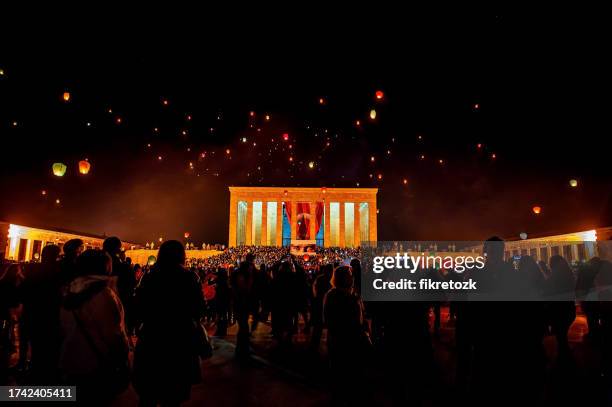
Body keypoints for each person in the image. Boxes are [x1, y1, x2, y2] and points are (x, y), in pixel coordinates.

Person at [133, 240, 206, 407]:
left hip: (152, 338)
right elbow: (199, 310)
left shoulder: (149, 276)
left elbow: (139, 307)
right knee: (173, 397)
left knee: (148, 394)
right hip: (180, 341)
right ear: (182, 255)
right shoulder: (189, 277)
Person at [58, 249, 130, 404]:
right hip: (96, 367)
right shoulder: (104, 295)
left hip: (70, 361)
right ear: (106, 267)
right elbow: (114, 336)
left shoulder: (70, 290)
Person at [324, 266, 368, 406]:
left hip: (342, 340)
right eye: (349, 275)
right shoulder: (338, 296)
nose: (352, 277)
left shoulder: (344, 295)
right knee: (344, 373)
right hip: (345, 341)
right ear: (342, 278)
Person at [19, 244, 62, 384]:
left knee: (27, 342)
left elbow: (23, 291)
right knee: (43, 348)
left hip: (30, 311)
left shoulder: (32, 269)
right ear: (56, 256)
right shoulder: (58, 271)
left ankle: (24, 366)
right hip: (49, 315)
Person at [546, 255, 576, 362]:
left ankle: (564, 358)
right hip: (569, 309)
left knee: (561, 338)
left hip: (558, 311)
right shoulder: (569, 275)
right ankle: (565, 356)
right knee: (562, 336)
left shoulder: (554, 278)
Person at [103, 237, 135, 332]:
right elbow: (131, 284)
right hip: (119, 304)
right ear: (118, 249)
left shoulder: (96, 264)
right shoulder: (123, 267)